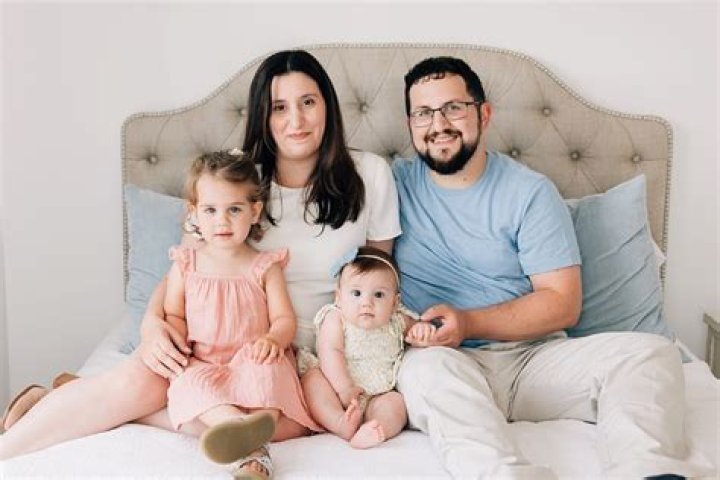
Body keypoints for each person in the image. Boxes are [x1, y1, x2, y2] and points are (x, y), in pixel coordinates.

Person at [0, 50, 401, 472]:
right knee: (137, 382)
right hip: (211, 344)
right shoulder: (236, 178)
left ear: (328, 106)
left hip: (301, 357)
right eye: (279, 107)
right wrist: (152, 325)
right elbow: (189, 266)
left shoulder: (370, 174)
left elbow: (379, 279)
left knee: (281, 424)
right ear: (263, 116)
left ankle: (66, 397)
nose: (296, 120)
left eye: (308, 102)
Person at [393, 56, 707, 479]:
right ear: (410, 123)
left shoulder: (530, 192)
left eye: (453, 108)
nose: (438, 124)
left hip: (532, 361)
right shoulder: (391, 185)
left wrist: (467, 322)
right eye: (424, 113)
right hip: (445, 361)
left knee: (651, 352)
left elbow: (562, 303)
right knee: (423, 371)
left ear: (484, 114)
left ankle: (646, 471)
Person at [164, 150, 323, 476]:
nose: (222, 221)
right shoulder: (186, 264)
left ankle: (248, 431)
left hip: (252, 357)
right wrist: (177, 340)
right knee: (187, 382)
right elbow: (173, 313)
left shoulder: (264, 266)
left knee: (270, 370)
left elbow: (284, 319)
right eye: (210, 210)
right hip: (205, 362)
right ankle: (245, 435)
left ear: (254, 211)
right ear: (194, 213)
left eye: (234, 209)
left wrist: (273, 340)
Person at [301, 246, 434, 449]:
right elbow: (330, 352)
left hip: (378, 394)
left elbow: (416, 329)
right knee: (312, 381)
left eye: (378, 295)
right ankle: (340, 422)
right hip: (335, 389)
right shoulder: (335, 317)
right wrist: (344, 389)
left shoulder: (397, 320)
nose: (366, 303)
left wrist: (421, 331)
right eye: (356, 293)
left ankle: (376, 428)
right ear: (339, 297)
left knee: (395, 403)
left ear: (394, 302)